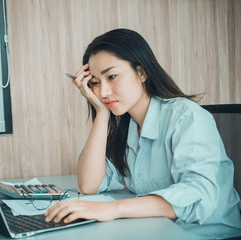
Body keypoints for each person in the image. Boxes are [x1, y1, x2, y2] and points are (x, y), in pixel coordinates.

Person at [44, 28, 241, 239]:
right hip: (157, 229)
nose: (103, 92)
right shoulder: (127, 126)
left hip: (206, 234)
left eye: (112, 76)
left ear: (141, 73)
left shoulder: (186, 116)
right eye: (95, 83)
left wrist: (113, 209)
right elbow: (90, 185)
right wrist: (101, 112)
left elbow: (197, 195)